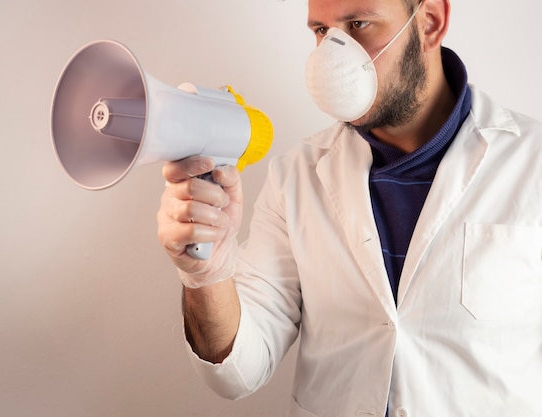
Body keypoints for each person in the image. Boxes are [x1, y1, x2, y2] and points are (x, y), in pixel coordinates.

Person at [157, 0, 542, 415]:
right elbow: (236, 372)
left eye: (358, 24)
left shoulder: (531, 162)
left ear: (430, 23)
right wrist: (207, 274)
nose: (332, 55)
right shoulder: (296, 175)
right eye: (321, 31)